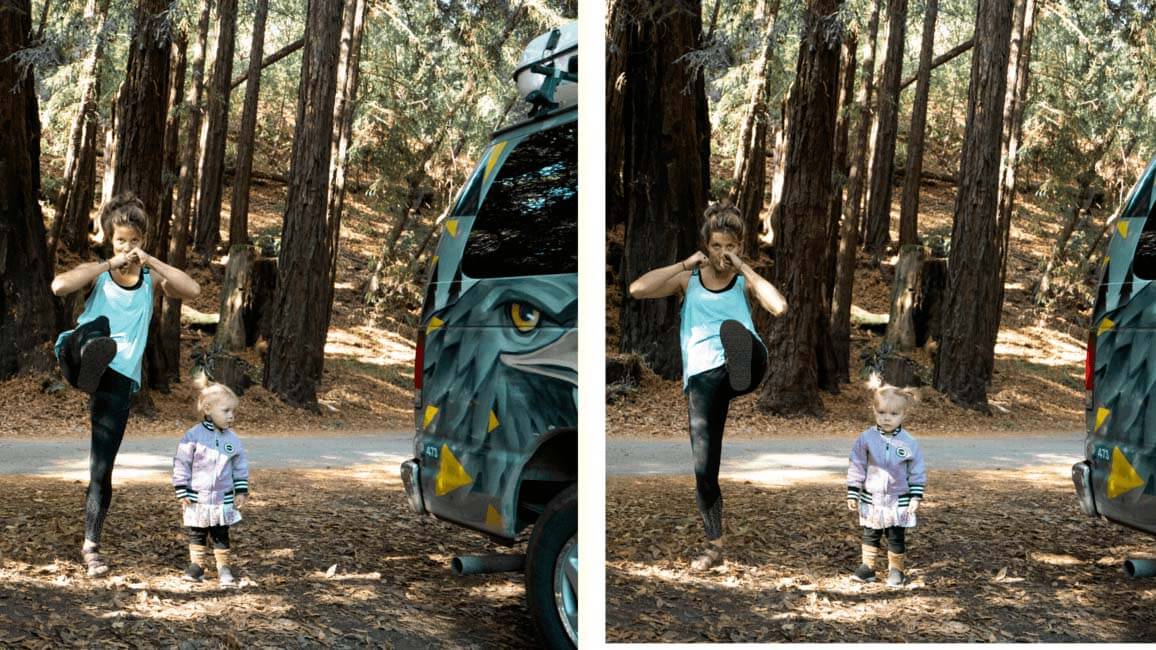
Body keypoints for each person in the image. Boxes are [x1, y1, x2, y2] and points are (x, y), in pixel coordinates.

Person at [628, 200, 787, 570]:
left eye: (730, 247)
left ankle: (739, 358)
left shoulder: (743, 281)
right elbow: (638, 289)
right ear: (707, 245)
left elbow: (779, 307)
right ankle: (714, 546)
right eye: (716, 246)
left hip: (743, 360)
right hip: (703, 378)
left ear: (739, 248)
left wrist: (745, 269)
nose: (722, 254)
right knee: (704, 469)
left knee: (739, 340)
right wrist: (685, 264)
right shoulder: (690, 280)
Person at [51, 193, 201, 577]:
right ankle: (87, 357)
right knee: (95, 333)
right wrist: (107, 264)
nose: (127, 247)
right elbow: (59, 286)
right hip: (82, 355)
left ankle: (91, 546)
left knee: (102, 467)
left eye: (134, 241)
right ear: (109, 239)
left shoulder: (151, 279)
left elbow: (192, 290)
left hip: (118, 378)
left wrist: (150, 261)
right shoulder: (100, 272)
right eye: (121, 240)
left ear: (143, 241)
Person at [845, 375, 927, 587]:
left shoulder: (908, 442)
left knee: (895, 536)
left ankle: (896, 570)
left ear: (903, 414)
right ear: (874, 411)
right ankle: (867, 568)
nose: (886, 418)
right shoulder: (866, 439)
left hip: (898, 498)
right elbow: (857, 464)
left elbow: (916, 470)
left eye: (893, 414)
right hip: (872, 497)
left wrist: (916, 496)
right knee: (871, 533)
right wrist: (853, 490)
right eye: (881, 413)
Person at [173, 381, 250, 587]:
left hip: (222, 497)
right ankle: (197, 566)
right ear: (208, 409)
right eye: (225, 410)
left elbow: (239, 465)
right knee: (197, 532)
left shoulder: (232, 439)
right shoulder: (193, 436)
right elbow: (182, 462)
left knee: (220, 533)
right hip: (197, 496)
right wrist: (182, 489)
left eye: (233, 411)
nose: (231, 416)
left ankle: (223, 567)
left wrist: (241, 490)